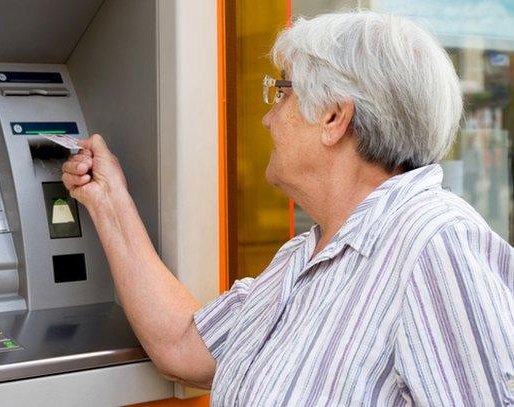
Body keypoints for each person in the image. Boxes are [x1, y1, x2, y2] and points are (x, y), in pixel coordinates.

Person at [62, 10, 514, 406]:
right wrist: (108, 201)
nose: (267, 117)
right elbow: (183, 347)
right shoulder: (306, 256)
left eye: (281, 94)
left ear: (334, 118)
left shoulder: (435, 244)